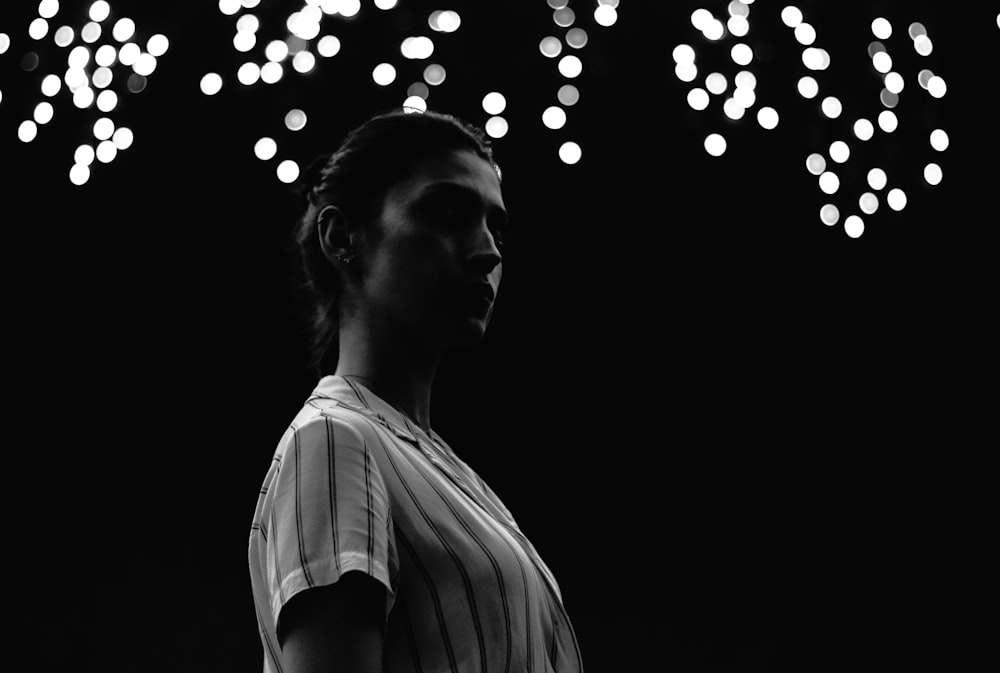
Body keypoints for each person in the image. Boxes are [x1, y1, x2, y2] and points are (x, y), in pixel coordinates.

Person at [248, 108, 584, 673]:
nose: (489, 252)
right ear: (340, 237)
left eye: (496, 228)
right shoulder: (334, 442)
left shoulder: (444, 471)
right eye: (449, 213)